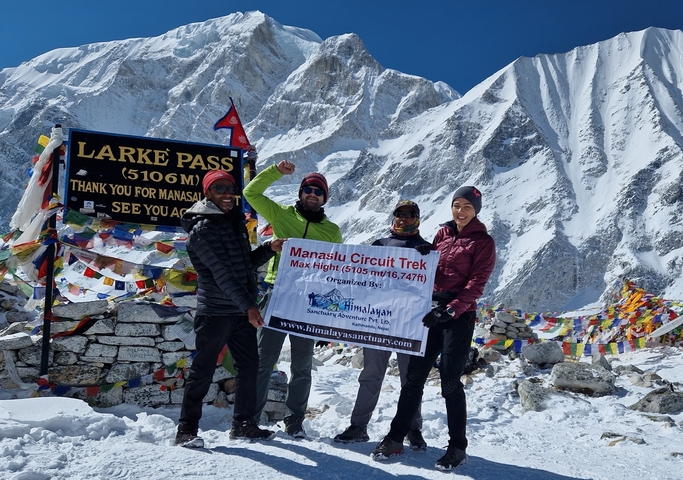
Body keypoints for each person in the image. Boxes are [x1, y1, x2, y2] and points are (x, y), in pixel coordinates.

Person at [370, 186, 496, 472]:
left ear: (476, 209)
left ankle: (457, 448)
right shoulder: (442, 234)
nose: (460, 211)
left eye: (466, 206)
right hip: (430, 313)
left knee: (450, 382)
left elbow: (476, 284)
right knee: (413, 378)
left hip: (457, 317)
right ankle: (395, 438)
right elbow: (433, 273)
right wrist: (426, 257)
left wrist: (450, 309)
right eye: (456, 205)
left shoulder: (483, 242)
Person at [175, 169, 285, 448]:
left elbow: (242, 265)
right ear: (207, 193)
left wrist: (269, 248)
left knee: (249, 366)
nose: (227, 194)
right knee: (203, 369)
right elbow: (222, 274)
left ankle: (244, 424)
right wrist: (249, 306)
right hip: (215, 312)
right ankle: (186, 430)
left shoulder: (231, 222)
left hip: (238, 311)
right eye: (220, 188)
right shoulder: (202, 229)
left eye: (230, 188)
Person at [243, 160, 342, 438]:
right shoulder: (281, 214)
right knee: (264, 360)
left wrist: (328, 314)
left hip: (309, 302)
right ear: (300, 192)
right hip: (278, 294)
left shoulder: (332, 231)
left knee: (302, 365)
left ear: (324, 198)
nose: (312, 194)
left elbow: (335, 271)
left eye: (318, 191)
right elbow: (250, 193)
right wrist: (276, 172)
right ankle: (250, 418)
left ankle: (295, 420)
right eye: (308, 189)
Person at [334, 200, 431, 450]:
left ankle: (413, 428)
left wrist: (429, 259)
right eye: (399, 214)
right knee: (371, 375)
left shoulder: (426, 250)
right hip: (378, 321)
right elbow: (363, 278)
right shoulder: (379, 245)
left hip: (409, 323)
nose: (403, 218)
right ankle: (358, 426)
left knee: (411, 379)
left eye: (409, 215)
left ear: (417, 219)